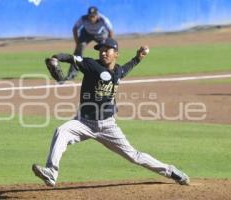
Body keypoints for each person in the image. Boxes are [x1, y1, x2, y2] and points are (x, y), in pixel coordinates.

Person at [32, 38, 190, 187]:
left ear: (116, 54)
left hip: (108, 126)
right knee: (62, 131)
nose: (103, 52)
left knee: (133, 156)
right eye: (101, 49)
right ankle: (51, 173)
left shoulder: (118, 71)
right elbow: (71, 58)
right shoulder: (91, 65)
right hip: (83, 122)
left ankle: (170, 171)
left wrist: (138, 58)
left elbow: (127, 68)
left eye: (107, 49)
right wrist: (55, 58)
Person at [65, 6, 114, 81]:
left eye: (93, 16)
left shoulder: (103, 19)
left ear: (97, 15)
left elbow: (110, 31)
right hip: (86, 33)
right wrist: (77, 42)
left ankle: (107, 71)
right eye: (90, 16)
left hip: (100, 34)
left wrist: (109, 43)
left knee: (106, 50)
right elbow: (75, 28)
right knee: (79, 49)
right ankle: (72, 74)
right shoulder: (83, 18)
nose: (92, 18)